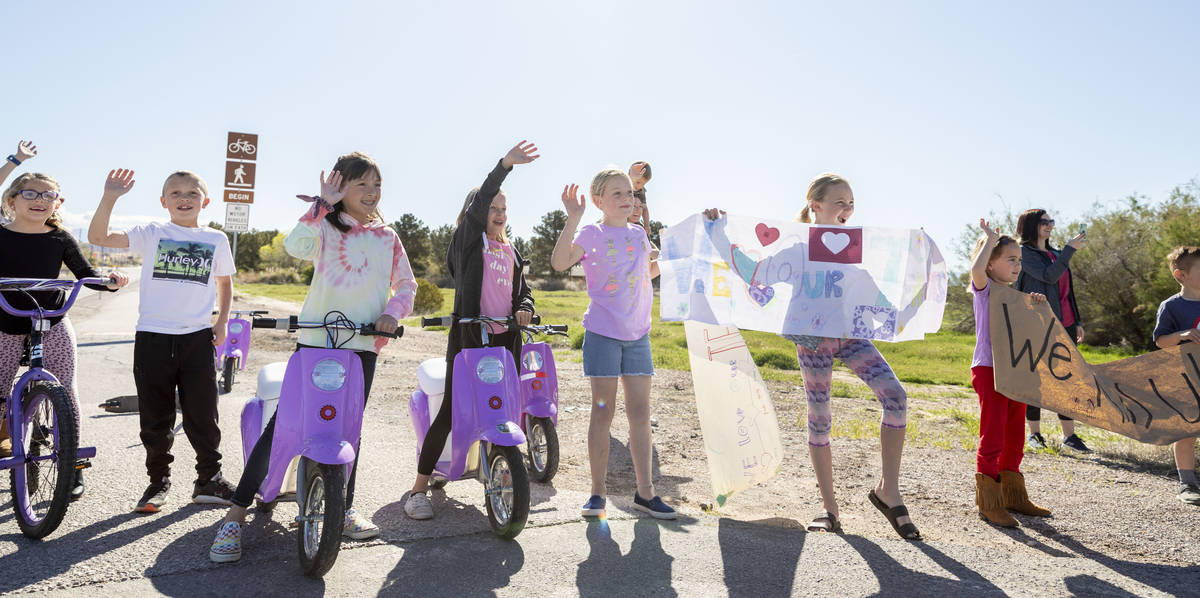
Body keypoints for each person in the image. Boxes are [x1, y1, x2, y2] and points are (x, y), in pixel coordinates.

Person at [210, 152, 418, 562]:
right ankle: (235, 515)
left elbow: (406, 285)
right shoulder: (325, 225)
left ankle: (345, 507)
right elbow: (295, 246)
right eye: (362, 186)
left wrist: (392, 313)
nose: (372, 193)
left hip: (361, 347)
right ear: (342, 189)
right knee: (282, 426)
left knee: (350, 430)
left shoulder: (388, 237)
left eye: (377, 186)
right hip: (316, 341)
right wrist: (320, 205)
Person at [704, 173, 919, 539]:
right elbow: (755, 273)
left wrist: (917, 289)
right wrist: (717, 234)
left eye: (851, 203)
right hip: (812, 340)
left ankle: (889, 491)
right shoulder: (799, 249)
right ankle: (829, 509)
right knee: (820, 419)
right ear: (815, 206)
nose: (847, 210)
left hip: (852, 336)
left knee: (895, 396)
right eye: (840, 202)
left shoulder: (854, 250)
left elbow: (874, 299)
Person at [404, 141, 539, 520]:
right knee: (451, 412)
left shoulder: (510, 250)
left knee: (504, 408)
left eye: (503, 209)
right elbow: (478, 210)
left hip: (504, 341)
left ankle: (496, 468)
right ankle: (417, 490)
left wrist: (525, 307)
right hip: (469, 340)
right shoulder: (467, 243)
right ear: (475, 212)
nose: (498, 214)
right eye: (491, 208)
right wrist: (504, 166)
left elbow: (523, 291)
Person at [88, 168, 236, 513]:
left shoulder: (216, 239)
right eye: (175, 193)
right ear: (163, 201)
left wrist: (223, 322)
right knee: (156, 417)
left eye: (192, 193)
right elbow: (99, 236)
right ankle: (158, 483)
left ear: (206, 200)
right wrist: (110, 195)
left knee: (204, 414)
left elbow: (225, 283)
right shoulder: (152, 233)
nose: (184, 199)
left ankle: (208, 480)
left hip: (197, 338)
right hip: (153, 337)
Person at [551, 167, 676, 520]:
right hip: (603, 334)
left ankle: (645, 494)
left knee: (640, 414)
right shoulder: (591, 232)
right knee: (603, 414)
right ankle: (597, 494)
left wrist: (674, 261)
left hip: (638, 336)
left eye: (629, 193)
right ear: (599, 201)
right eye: (617, 194)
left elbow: (646, 272)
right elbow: (560, 262)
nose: (627, 199)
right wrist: (572, 219)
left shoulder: (638, 236)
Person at [0, 165, 129, 499]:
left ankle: (71, 464)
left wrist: (110, 282)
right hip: (6, 321)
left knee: (66, 390)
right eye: (30, 193)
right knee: (0, 389)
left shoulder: (59, 237)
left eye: (48, 195)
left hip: (51, 318)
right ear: (12, 200)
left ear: (57, 203)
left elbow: (87, 273)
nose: (39, 200)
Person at [968, 219, 1053, 527]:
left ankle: (1014, 495)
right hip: (989, 369)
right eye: (1010, 259)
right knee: (993, 434)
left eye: (1020, 260)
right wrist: (990, 239)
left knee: (1015, 434)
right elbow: (976, 272)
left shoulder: (1018, 297)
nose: (1018, 265)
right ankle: (989, 500)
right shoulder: (985, 289)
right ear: (990, 263)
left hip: (1017, 372)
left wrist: (1037, 308)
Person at [1014, 209, 1091, 452]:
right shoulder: (1024, 253)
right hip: (1038, 324)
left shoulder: (1056, 253)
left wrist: (1077, 320)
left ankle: (1070, 436)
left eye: (1051, 222)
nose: (1049, 226)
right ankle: (1035, 435)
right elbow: (1048, 276)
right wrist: (1068, 251)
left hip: (1065, 324)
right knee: (1035, 379)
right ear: (1031, 226)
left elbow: (1068, 291)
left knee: (1067, 378)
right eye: (1044, 222)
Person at [1152, 246, 1200, 506]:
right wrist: (1182, 336)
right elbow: (1160, 341)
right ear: (1181, 275)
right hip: (1185, 379)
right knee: (1187, 431)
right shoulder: (1172, 306)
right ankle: (1187, 482)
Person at [628, 161, 652, 228]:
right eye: (638, 182)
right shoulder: (623, 184)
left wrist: (647, 225)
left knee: (641, 230)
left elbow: (644, 209)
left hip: (633, 219)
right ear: (629, 176)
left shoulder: (641, 190)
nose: (640, 186)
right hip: (619, 217)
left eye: (643, 184)